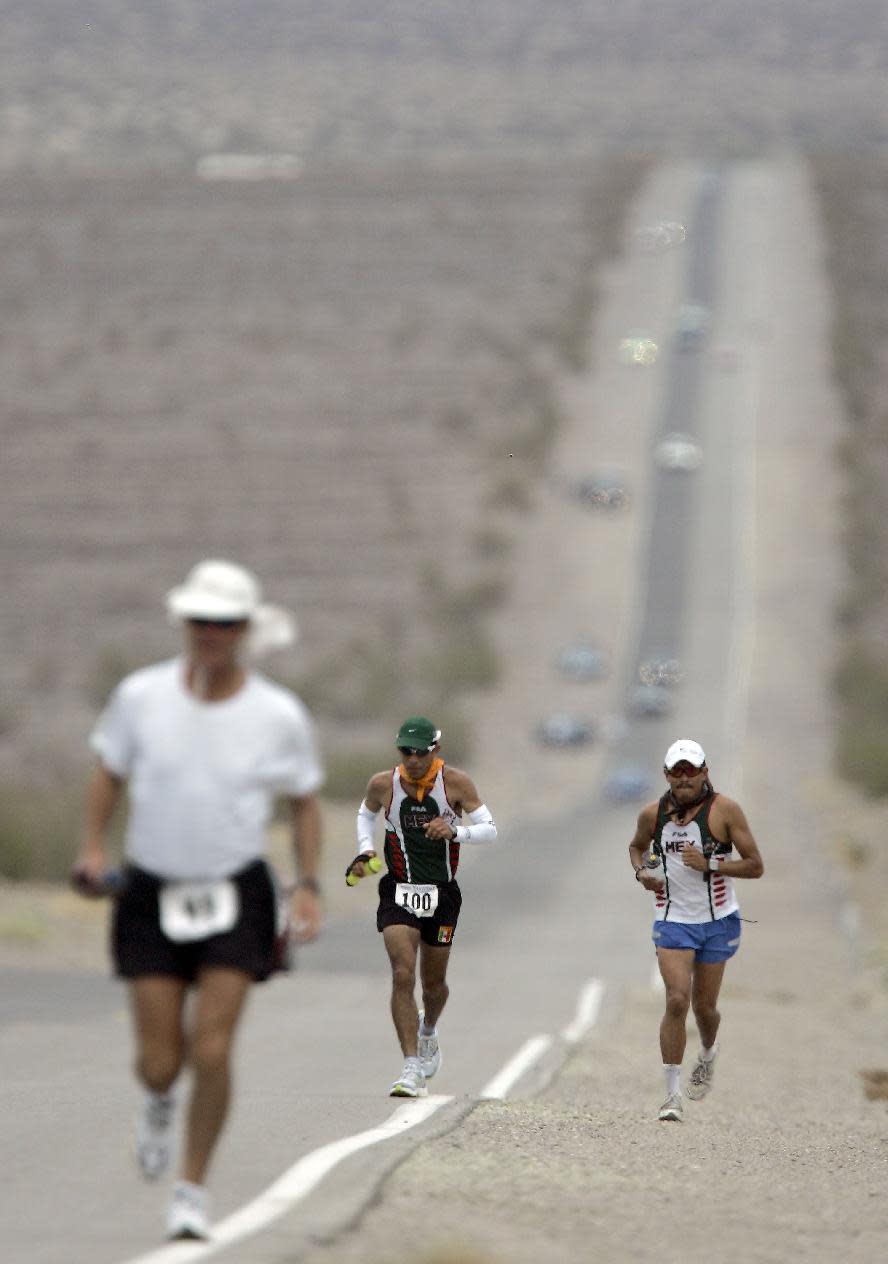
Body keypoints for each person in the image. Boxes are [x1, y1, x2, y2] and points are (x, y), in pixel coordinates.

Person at [71, 559, 324, 1241]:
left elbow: (304, 802)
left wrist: (306, 883)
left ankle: (190, 1189)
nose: (210, 633)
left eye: (224, 623)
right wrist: (93, 848)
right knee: (163, 1058)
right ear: (184, 623)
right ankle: (157, 1100)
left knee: (212, 1049)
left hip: (236, 889)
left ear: (245, 629)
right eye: (200, 621)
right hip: (151, 888)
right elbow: (108, 773)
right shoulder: (140, 696)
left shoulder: (277, 714)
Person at [347, 717, 497, 1098]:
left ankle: (428, 1029)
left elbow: (490, 829)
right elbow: (365, 812)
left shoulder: (457, 783)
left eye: (420, 752)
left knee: (434, 985)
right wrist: (365, 849)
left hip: (442, 895)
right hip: (398, 889)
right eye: (405, 751)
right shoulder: (384, 784)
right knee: (402, 973)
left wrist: (455, 831)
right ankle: (411, 1066)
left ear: (435, 750)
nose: (412, 759)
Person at [628, 739, 763, 1123]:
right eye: (677, 771)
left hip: (719, 920)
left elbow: (755, 865)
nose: (685, 778)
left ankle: (707, 1052)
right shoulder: (651, 815)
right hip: (673, 921)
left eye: (692, 770)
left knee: (705, 1008)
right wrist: (642, 874)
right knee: (676, 999)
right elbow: (637, 848)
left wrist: (712, 865)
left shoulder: (725, 812)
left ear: (705, 771)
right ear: (666, 775)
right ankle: (671, 1097)